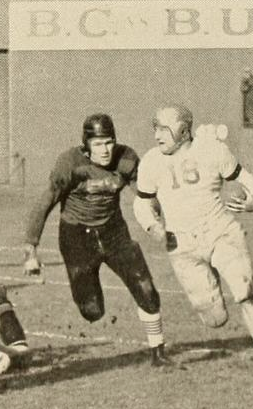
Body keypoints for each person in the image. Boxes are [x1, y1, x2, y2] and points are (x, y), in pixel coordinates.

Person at [132, 106, 253, 383]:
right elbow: (142, 203)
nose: (157, 135)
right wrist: (153, 226)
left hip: (221, 232)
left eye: (164, 129)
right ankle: (212, 283)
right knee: (215, 319)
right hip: (183, 245)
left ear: (183, 131)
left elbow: (245, 178)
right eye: (155, 128)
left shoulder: (211, 150)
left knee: (246, 292)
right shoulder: (150, 161)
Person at [22, 113, 173, 368]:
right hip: (77, 237)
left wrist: (159, 218)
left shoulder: (125, 159)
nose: (105, 150)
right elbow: (45, 203)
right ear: (86, 145)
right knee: (92, 310)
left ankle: (158, 352)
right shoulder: (70, 163)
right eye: (98, 143)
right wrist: (30, 251)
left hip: (114, 232)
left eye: (109, 142)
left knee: (146, 288)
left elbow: (145, 195)